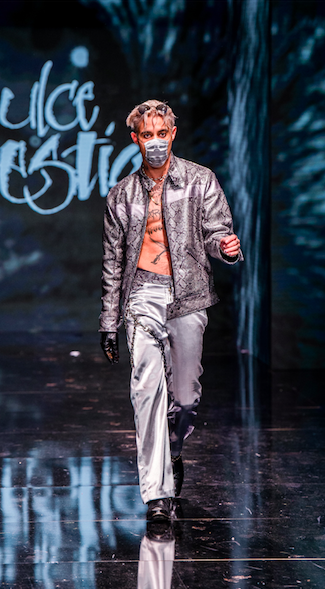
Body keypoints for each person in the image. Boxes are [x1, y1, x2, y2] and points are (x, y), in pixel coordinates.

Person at [99, 100, 243, 521]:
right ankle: (157, 495)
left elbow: (217, 232)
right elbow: (112, 264)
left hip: (188, 295)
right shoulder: (121, 196)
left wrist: (226, 248)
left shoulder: (200, 181)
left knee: (185, 399)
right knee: (146, 392)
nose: (156, 141)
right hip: (142, 293)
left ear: (173, 134)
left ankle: (173, 449)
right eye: (148, 135)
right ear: (136, 139)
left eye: (162, 133)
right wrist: (109, 322)